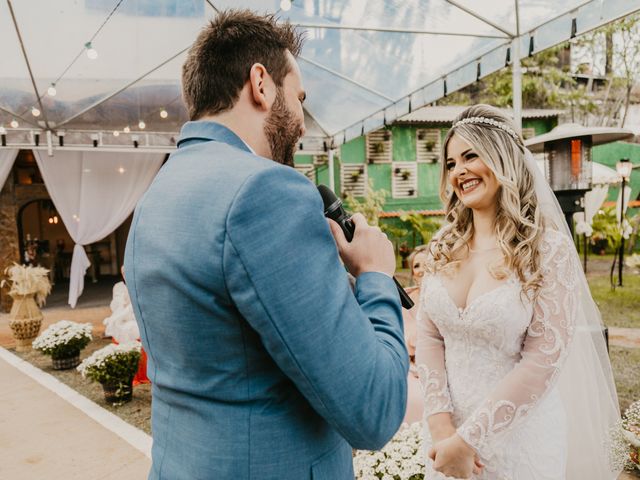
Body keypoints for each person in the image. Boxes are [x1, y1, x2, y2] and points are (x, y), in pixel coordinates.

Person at [124, 10, 408, 480]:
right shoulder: (266, 192)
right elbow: (373, 410)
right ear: (261, 83)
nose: (301, 121)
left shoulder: (158, 194)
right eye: (299, 99)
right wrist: (375, 274)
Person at [416, 104, 620, 479]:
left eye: (470, 156)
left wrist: (470, 440)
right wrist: (442, 428)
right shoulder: (441, 247)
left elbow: (543, 360)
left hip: (519, 445)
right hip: (447, 445)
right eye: (450, 163)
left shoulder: (548, 252)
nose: (459, 171)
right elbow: (429, 336)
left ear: (503, 159)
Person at [403, 245, 428, 424]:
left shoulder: (448, 297)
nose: (421, 270)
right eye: (417, 266)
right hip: (408, 366)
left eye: (426, 264)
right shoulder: (403, 299)